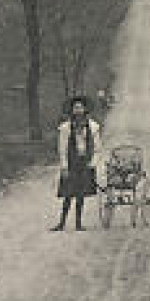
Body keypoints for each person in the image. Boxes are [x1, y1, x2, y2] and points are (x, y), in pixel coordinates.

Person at [51, 95, 104, 231]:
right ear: (72, 110)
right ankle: (61, 223)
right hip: (71, 163)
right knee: (68, 194)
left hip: (85, 163)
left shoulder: (92, 127)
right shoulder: (66, 128)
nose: (78, 110)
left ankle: (78, 224)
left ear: (85, 109)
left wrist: (93, 163)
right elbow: (62, 148)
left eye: (80, 107)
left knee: (81, 194)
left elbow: (98, 148)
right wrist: (64, 166)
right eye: (75, 107)